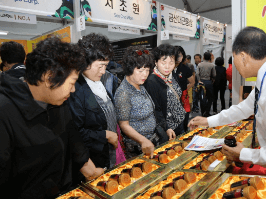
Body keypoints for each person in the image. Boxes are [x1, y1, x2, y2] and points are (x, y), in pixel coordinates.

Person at [189, 26, 266, 178]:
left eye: (234, 58)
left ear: (243, 56)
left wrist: (245, 154)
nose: (235, 65)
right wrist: (208, 121)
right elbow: (245, 107)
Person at [0, 37, 104, 198]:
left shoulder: (58, 103)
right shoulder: (5, 111)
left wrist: (90, 170)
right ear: (49, 78)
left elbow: (72, 137)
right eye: (72, 83)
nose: (74, 90)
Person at [68, 33, 118, 170]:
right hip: (91, 160)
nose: (103, 71)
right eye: (100, 66)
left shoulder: (98, 82)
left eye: (106, 66)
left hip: (107, 153)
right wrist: (105, 135)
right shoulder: (75, 89)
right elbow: (74, 131)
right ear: (85, 62)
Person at [114, 46, 158, 159]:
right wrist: (142, 140)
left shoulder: (140, 85)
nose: (145, 74)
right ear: (129, 69)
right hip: (138, 147)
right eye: (141, 70)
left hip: (151, 141)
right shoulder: (123, 93)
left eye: (147, 70)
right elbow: (124, 125)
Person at [144, 44, 185, 137]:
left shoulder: (172, 74)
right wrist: (166, 127)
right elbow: (156, 109)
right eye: (163, 63)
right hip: (168, 128)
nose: (167, 67)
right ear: (156, 62)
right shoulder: (151, 81)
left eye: (171, 63)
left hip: (180, 120)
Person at [175, 46, 195, 131]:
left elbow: (192, 82)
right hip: (170, 98)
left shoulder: (185, 68)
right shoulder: (167, 68)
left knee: (184, 120)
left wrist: (183, 90)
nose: (179, 57)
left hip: (183, 98)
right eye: (177, 55)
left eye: (181, 55)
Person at [197, 52, 216, 117]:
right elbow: (214, 75)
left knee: (202, 98)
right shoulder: (212, 65)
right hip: (209, 82)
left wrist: (199, 80)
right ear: (210, 58)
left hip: (201, 82)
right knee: (210, 98)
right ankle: (207, 111)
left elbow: (197, 74)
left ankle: (203, 112)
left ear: (203, 57)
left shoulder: (199, 65)